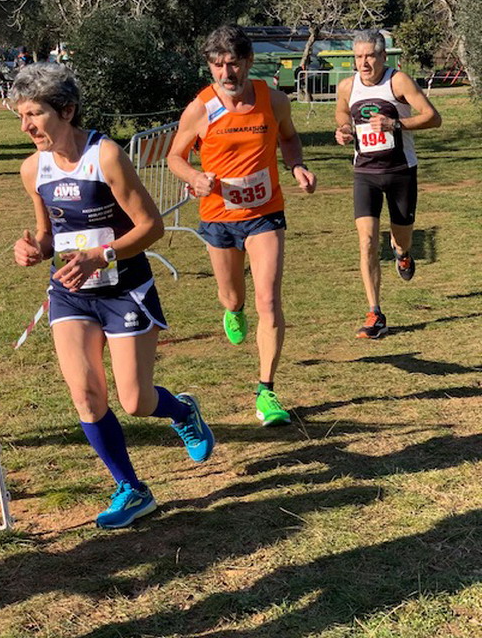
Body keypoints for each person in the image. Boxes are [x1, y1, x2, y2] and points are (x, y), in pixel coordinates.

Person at [11, 64, 213, 530]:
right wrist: (34, 249)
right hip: (71, 295)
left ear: (66, 110)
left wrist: (101, 256)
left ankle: (182, 411)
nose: (26, 127)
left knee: (136, 401)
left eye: (35, 114)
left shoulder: (105, 157)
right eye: (21, 116)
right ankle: (131, 488)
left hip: (125, 291)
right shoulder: (32, 169)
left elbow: (152, 226)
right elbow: (48, 235)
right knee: (86, 396)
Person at [167, 24, 316, 427]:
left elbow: (289, 138)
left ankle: (266, 391)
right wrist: (194, 177)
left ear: (248, 62)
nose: (226, 73)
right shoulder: (201, 108)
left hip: (265, 213)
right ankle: (233, 309)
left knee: (268, 300)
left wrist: (297, 166)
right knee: (233, 297)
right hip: (219, 217)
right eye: (217, 65)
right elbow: (175, 156)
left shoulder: (273, 100)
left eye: (233, 64)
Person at [334, 29, 442, 339]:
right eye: (358, 57)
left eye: (370, 56)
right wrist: (344, 129)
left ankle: (402, 253)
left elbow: (433, 117)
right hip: (365, 173)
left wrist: (395, 124)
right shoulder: (347, 86)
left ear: (383, 56)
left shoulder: (398, 82)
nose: (364, 63)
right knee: (367, 240)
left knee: (401, 238)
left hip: (400, 171)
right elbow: (342, 112)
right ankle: (375, 313)